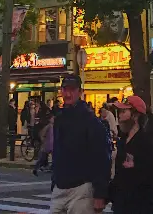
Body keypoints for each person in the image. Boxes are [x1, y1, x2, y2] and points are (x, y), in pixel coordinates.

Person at [49, 75, 111, 214]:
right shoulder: (60, 118)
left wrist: (100, 194)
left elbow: (102, 157)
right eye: (65, 90)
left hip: (82, 187)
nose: (68, 94)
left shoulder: (91, 121)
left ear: (80, 92)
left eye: (72, 90)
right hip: (60, 186)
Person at [108, 96, 153, 214]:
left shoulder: (146, 141)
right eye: (119, 111)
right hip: (121, 205)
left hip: (140, 205)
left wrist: (136, 166)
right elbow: (119, 175)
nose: (119, 116)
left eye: (124, 111)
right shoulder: (123, 141)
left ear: (135, 115)